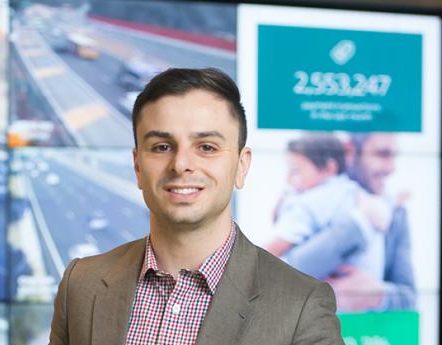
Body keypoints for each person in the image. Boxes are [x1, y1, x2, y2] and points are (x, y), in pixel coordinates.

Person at [49, 68, 343, 344]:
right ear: (138, 166)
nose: (181, 165)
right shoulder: (81, 284)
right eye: (162, 147)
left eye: (206, 147)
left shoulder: (302, 305)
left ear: (241, 166)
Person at [282, 133, 415, 311]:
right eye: (382, 154)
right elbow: (286, 273)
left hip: (366, 335)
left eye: (394, 155)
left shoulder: (395, 213)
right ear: (351, 151)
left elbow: (411, 299)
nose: (392, 168)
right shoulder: (306, 200)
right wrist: (360, 223)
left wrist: (378, 296)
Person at [265, 135, 390, 282]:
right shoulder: (353, 192)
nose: (289, 179)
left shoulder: (312, 201)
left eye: (295, 170)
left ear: (329, 168)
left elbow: (278, 245)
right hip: (365, 286)